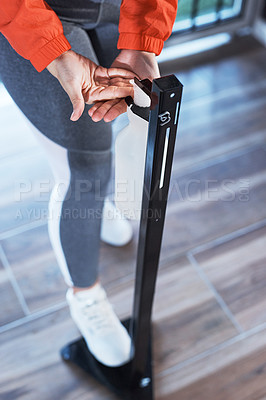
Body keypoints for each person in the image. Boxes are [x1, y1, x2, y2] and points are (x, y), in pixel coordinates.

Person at [0, 0, 178, 367]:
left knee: (111, 107)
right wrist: (48, 46)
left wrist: (143, 38)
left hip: (118, 7)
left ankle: (95, 207)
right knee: (83, 169)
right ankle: (85, 296)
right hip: (31, 13)